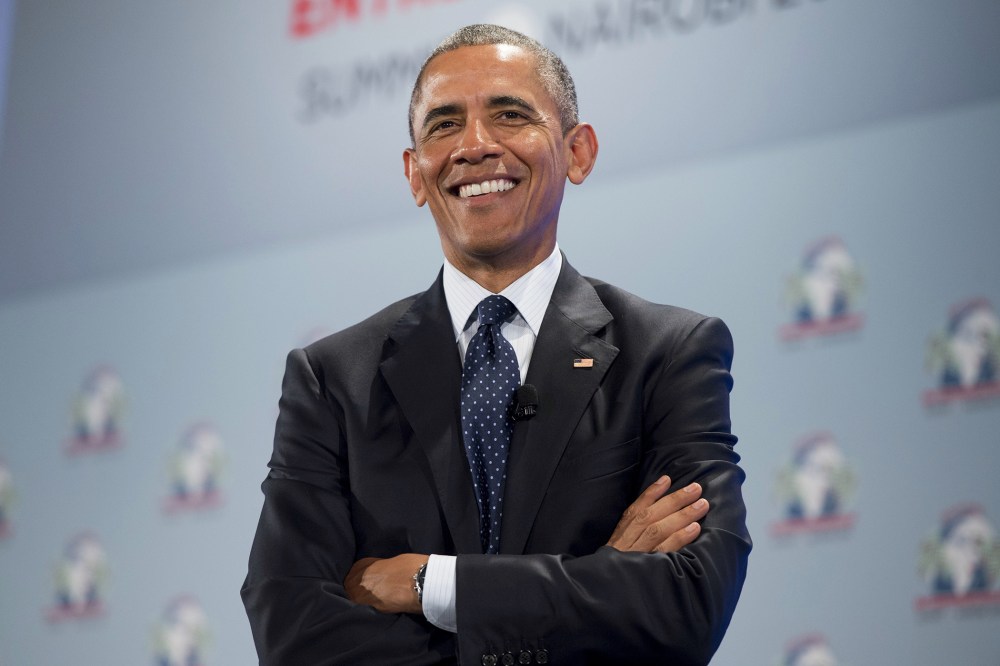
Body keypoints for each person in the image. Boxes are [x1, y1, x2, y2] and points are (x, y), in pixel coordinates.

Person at [242, 24, 750, 665]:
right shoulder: (331, 379)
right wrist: (601, 579)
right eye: (443, 126)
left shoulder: (670, 353)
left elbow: (688, 606)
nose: (475, 146)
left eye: (510, 115)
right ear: (415, 173)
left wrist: (432, 584)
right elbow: (292, 635)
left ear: (579, 151)